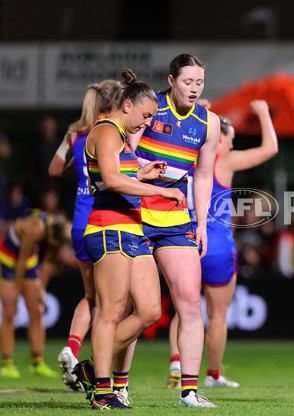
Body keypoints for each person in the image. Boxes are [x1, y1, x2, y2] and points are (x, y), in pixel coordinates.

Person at [73, 68, 185, 410]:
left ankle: (92, 369)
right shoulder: (107, 131)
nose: (147, 123)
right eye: (146, 115)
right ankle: (103, 391)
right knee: (110, 312)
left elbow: (116, 177)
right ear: (126, 106)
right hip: (109, 229)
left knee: (150, 310)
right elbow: (110, 180)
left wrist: (141, 172)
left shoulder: (119, 136)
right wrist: (156, 189)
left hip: (131, 231)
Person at [166, 100, 278, 389]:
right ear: (220, 137)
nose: (230, 145)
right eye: (229, 140)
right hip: (216, 246)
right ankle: (213, 374)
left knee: (184, 311)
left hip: (185, 241)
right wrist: (264, 114)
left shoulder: (186, 157)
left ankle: (177, 366)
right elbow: (270, 149)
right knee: (217, 316)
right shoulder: (224, 162)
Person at [131, 54, 220, 408]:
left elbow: (202, 174)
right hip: (135, 213)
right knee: (131, 309)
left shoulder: (209, 123)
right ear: (171, 81)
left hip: (175, 218)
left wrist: (201, 223)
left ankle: (189, 393)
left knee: (190, 304)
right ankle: (116, 386)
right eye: (188, 82)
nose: (195, 89)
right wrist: (143, 171)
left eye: (200, 82)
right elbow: (124, 156)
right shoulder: (150, 109)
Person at [48, 79, 124, 390]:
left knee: (91, 296)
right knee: (109, 305)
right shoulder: (110, 133)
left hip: (79, 224)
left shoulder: (75, 134)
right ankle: (100, 371)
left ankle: (72, 347)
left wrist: (76, 165)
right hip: (103, 220)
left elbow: (53, 170)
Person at [0, 209, 70, 379]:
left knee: (38, 310)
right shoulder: (37, 228)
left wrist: (42, 288)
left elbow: (48, 261)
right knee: (10, 311)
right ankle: (8, 364)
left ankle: (38, 362)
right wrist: (16, 289)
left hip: (29, 260)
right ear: (51, 232)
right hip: (9, 259)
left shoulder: (58, 230)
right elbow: (21, 258)